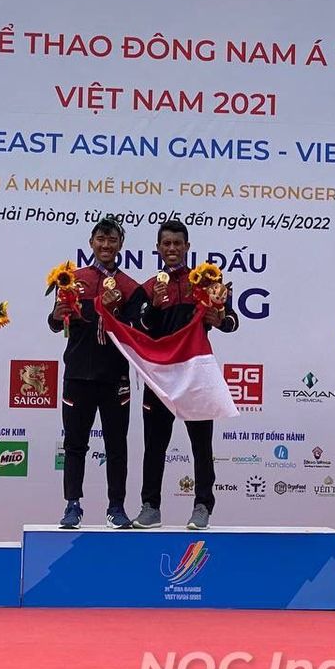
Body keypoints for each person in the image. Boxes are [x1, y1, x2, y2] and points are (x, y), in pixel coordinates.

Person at [131, 220, 238, 531]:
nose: (173, 249)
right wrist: (153, 305)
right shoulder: (149, 287)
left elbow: (231, 321)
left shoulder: (207, 284)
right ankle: (151, 507)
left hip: (195, 375)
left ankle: (203, 505)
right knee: (154, 444)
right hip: (159, 376)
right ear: (158, 248)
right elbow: (142, 329)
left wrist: (218, 317)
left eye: (178, 244)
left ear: (188, 247)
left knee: (201, 445)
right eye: (167, 244)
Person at [49, 216, 144, 529]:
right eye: (100, 239)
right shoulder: (70, 279)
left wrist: (114, 312)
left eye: (112, 240)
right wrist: (57, 314)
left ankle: (116, 507)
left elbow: (135, 332)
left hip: (115, 377)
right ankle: (72, 506)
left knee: (117, 444)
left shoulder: (130, 287)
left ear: (120, 246)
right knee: (75, 444)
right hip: (77, 374)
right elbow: (54, 323)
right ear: (91, 243)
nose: (106, 245)